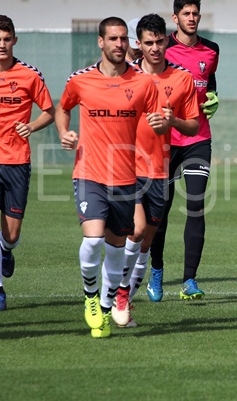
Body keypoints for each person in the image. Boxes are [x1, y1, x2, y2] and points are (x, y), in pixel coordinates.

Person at [55, 17, 163, 338]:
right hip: (89, 173)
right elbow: (63, 108)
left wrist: (161, 122)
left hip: (126, 179)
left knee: (116, 249)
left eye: (123, 38)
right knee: (92, 240)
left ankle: (104, 308)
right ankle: (90, 297)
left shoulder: (143, 83)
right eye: (113, 38)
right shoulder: (81, 80)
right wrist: (64, 132)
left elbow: (157, 117)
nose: (119, 44)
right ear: (100, 42)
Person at [106, 14, 199, 328]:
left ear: (166, 40)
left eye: (160, 41)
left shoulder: (182, 79)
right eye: (149, 43)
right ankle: (116, 295)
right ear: (139, 44)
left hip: (160, 170)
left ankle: (123, 297)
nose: (155, 48)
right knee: (136, 230)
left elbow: (193, 125)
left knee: (146, 240)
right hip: (127, 167)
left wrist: (173, 122)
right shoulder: (125, 76)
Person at [0, 15, 54, 313]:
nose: (2, 45)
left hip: (18, 161)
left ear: (15, 40)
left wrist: (31, 126)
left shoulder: (30, 75)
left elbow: (49, 111)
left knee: (10, 235)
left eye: (7, 39)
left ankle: (6, 251)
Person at [149, 0, 220, 301]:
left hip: (197, 138)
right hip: (165, 140)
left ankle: (190, 279)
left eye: (195, 13)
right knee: (160, 210)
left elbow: (208, 80)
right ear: (175, 18)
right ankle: (156, 270)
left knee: (196, 205)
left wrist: (213, 96)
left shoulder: (212, 49)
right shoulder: (161, 47)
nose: (192, 18)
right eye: (186, 13)